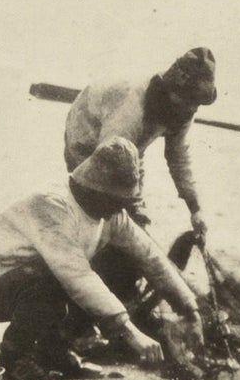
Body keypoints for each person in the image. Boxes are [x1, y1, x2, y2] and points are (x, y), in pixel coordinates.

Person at [0, 136, 202, 380]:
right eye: (117, 201)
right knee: (56, 283)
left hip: (43, 278)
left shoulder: (110, 214)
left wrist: (189, 309)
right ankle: (13, 362)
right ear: (95, 189)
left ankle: (53, 352)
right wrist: (130, 331)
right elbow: (76, 277)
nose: (120, 209)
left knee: (119, 262)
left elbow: (150, 257)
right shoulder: (52, 204)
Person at [63, 47, 218, 241]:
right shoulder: (132, 105)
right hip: (87, 134)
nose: (193, 108)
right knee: (95, 206)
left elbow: (179, 159)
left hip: (130, 146)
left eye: (197, 103)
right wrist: (130, 207)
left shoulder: (184, 108)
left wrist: (195, 209)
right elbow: (111, 158)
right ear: (171, 89)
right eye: (188, 100)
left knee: (133, 216)